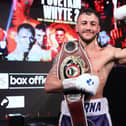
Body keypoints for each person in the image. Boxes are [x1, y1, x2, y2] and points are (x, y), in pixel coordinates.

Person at [45, 8, 126, 126]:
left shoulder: (109, 53)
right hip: (70, 116)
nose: (88, 28)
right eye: (84, 23)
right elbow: (49, 85)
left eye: (93, 24)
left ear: (98, 29)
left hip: (99, 117)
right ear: (76, 27)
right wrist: (75, 83)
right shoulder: (65, 54)